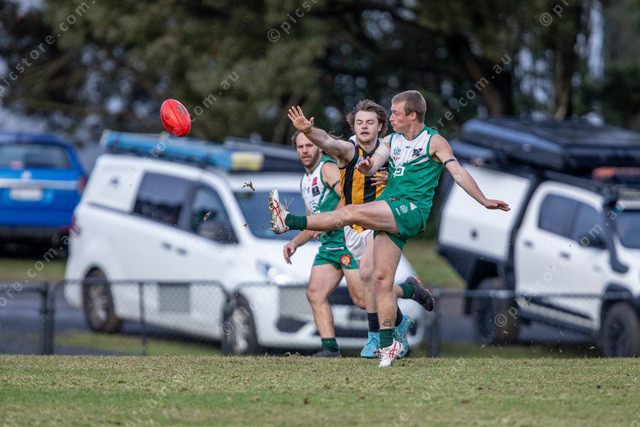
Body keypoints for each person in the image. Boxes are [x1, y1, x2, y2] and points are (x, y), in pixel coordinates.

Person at [271, 90, 510, 367]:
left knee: (348, 213)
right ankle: (388, 345)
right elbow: (374, 161)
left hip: (410, 210)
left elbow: (457, 172)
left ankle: (287, 221)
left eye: (395, 113)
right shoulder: (391, 140)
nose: (391, 117)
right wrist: (368, 166)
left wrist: (483, 200)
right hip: (388, 210)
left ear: (413, 115)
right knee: (379, 280)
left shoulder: (434, 141)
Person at [286, 100, 435, 360]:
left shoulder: (393, 147)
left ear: (380, 126)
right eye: (359, 123)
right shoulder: (348, 150)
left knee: (368, 274)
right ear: (353, 127)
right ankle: (408, 294)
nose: (364, 127)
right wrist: (309, 131)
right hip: (351, 229)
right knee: (363, 297)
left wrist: (391, 178)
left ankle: (375, 336)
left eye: (370, 122)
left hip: (381, 222)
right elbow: (327, 141)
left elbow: (412, 177)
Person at [284, 130, 365, 357]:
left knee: (362, 300)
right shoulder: (305, 181)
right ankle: (330, 350)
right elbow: (312, 221)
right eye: (300, 147)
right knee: (315, 294)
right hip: (328, 247)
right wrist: (295, 243)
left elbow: (349, 197)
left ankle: (408, 290)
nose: (305, 150)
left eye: (309, 145)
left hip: (347, 242)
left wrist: (329, 221)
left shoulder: (327, 168)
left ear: (319, 147)